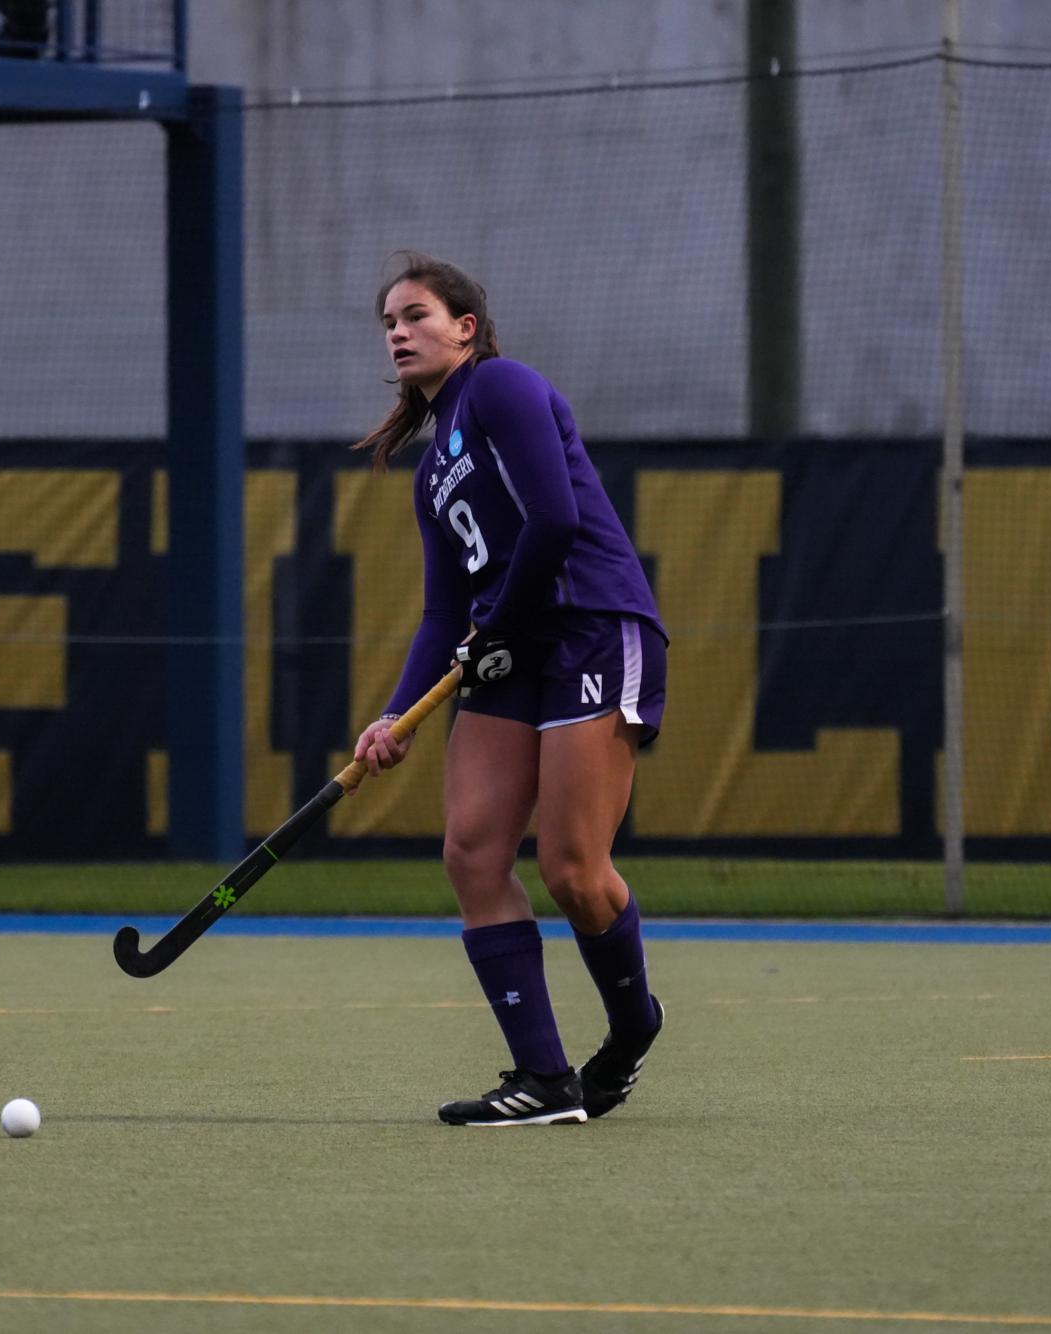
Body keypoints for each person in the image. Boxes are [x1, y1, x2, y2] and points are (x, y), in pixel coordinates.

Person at [351, 253, 668, 1126]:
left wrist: (494, 633)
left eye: (414, 315)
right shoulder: (430, 473)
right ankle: (543, 1080)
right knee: (472, 854)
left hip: (586, 627)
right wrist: (396, 713)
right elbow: (440, 613)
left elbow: (556, 519)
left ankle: (633, 1025)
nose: (397, 332)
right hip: (504, 652)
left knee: (571, 867)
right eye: (387, 323)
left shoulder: (502, 388)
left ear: (464, 327)